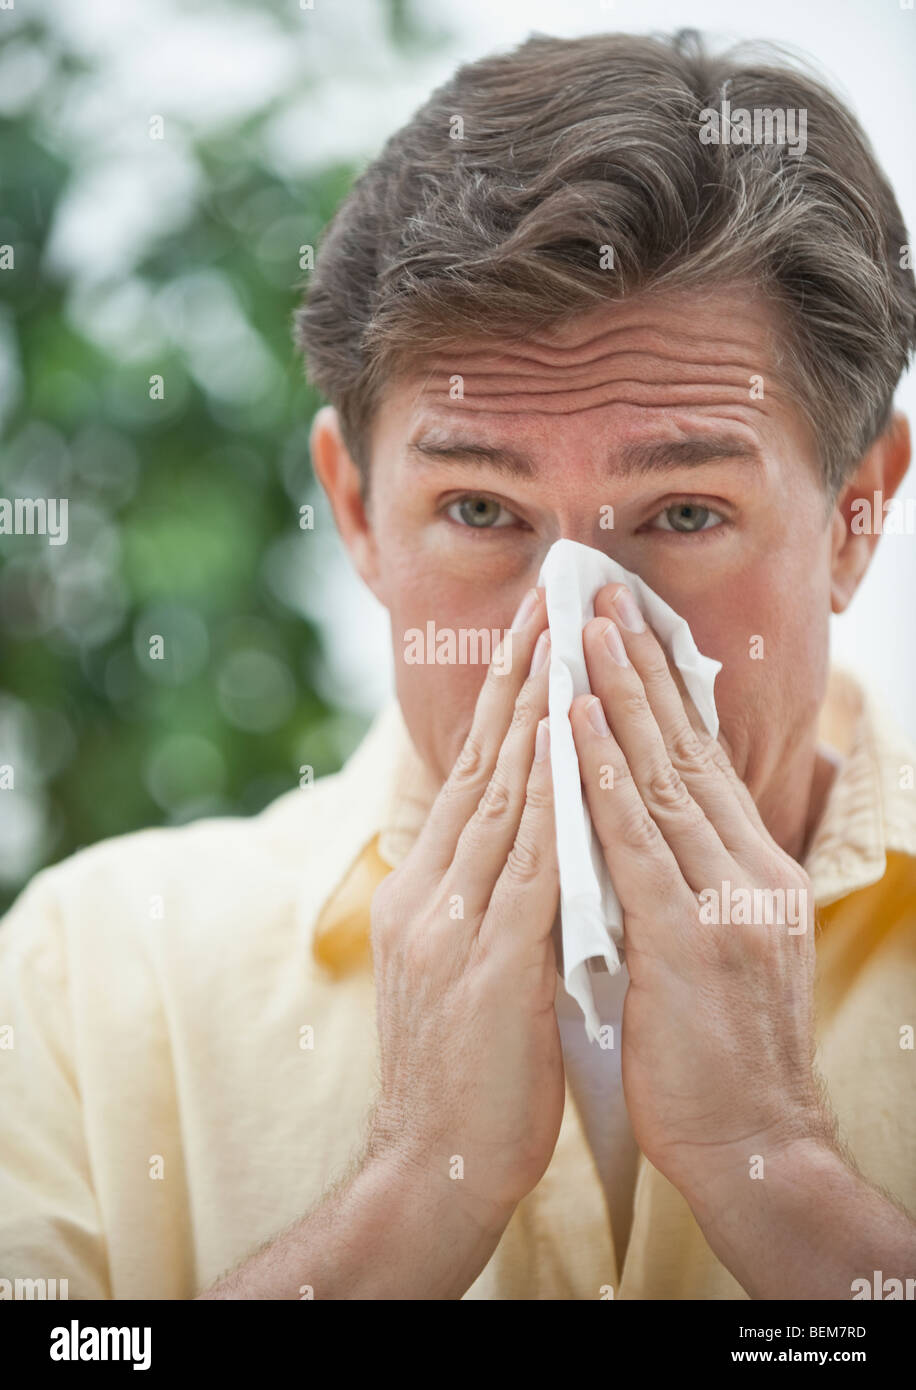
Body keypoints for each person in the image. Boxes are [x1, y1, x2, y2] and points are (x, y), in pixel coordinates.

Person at [2, 30, 915, 1301]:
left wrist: (779, 1171)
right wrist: (414, 1187)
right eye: (481, 510)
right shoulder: (91, 977)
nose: (576, 638)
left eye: (684, 512)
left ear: (855, 517)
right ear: (359, 512)